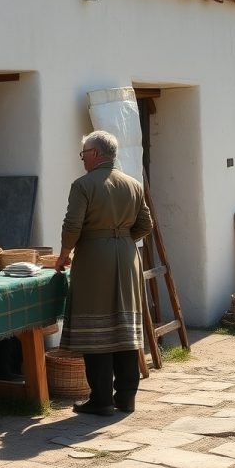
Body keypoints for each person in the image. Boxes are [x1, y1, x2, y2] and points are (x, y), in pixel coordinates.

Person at [55, 130, 153, 416]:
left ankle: (101, 400)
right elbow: (146, 224)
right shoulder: (133, 184)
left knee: (94, 329)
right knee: (124, 328)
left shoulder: (83, 185)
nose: (82, 158)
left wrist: (64, 254)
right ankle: (126, 398)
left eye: (84, 153)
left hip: (94, 258)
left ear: (96, 153)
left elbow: (72, 226)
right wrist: (121, 237)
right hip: (126, 254)